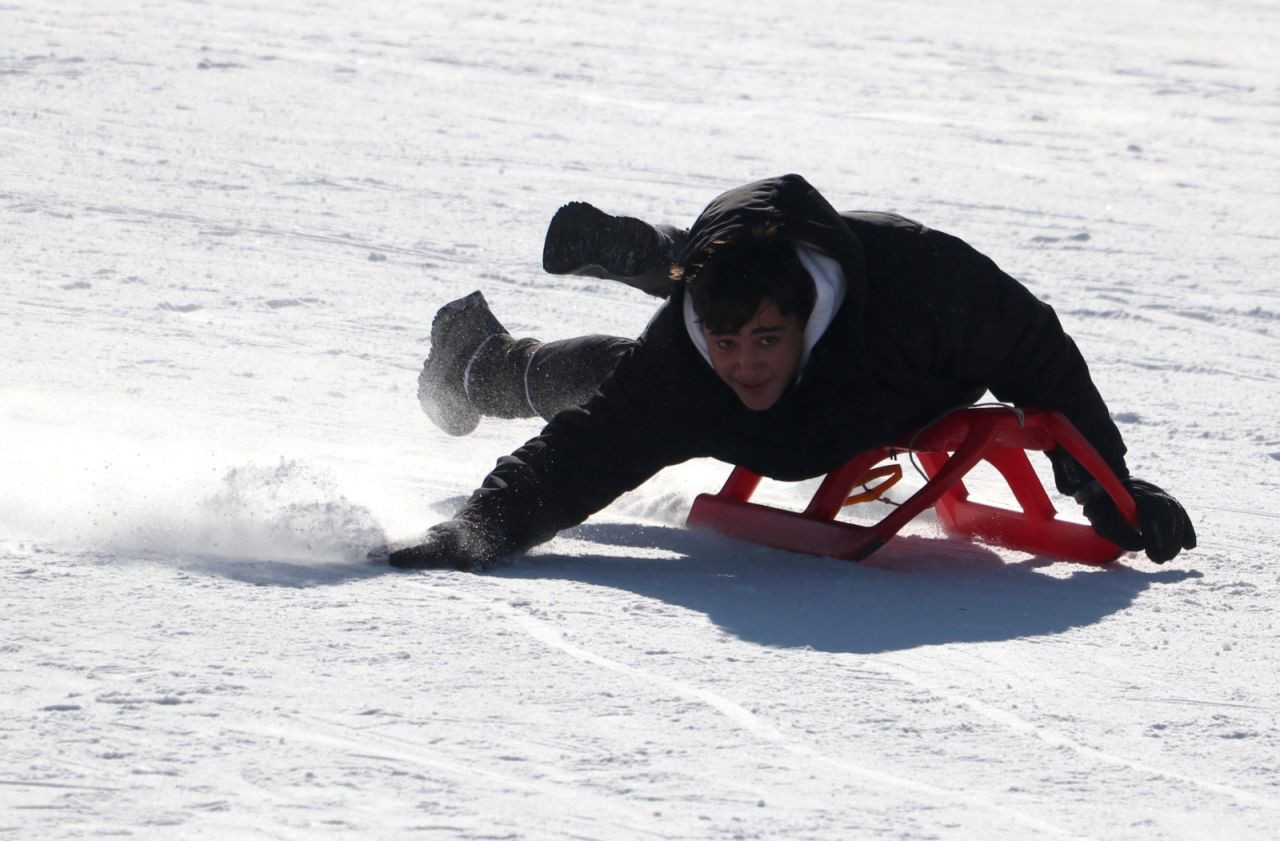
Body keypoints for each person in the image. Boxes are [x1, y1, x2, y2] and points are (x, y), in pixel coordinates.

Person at [389, 174, 1195, 570]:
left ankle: (667, 254)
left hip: (883, 382)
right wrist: (478, 530)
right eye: (723, 340)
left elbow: (1038, 356)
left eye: (765, 341)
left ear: (806, 313)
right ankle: (481, 362)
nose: (742, 364)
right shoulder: (690, 359)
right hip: (770, 396)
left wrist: (1108, 484)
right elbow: (585, 453)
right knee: (634, 385)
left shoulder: (925, 289)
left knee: (655, 371)